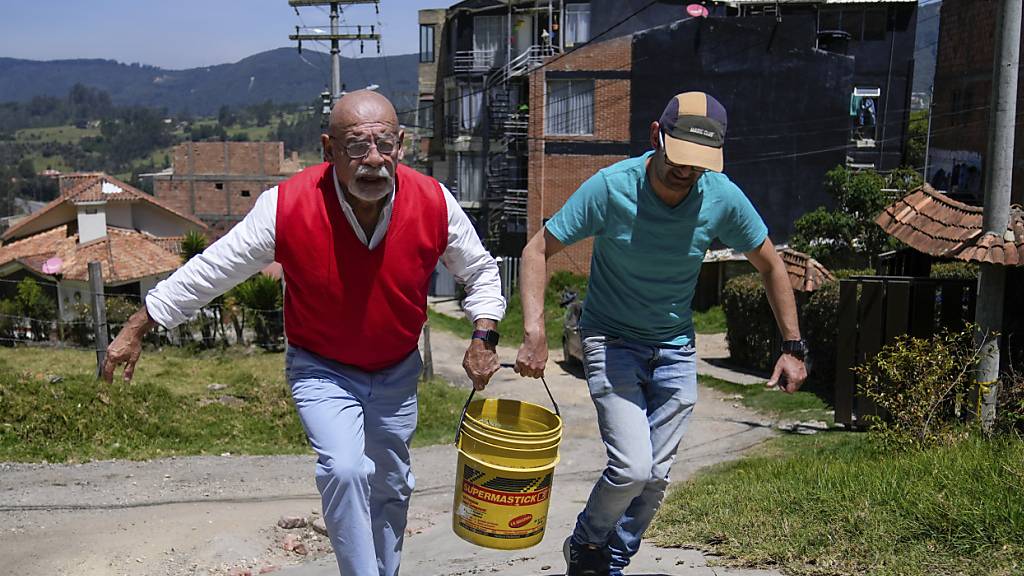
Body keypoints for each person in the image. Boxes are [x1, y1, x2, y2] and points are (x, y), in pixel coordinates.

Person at [102, 90, 506, 576]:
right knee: (345, 468)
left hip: (397, 371)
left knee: (392, 485)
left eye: (383, 144)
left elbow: (479, 272)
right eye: (357, 146)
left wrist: (483, 335)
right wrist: (140, 322)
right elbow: (215, 268)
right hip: (322, 368)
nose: (373, 160)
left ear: (401, 145)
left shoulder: (434, 202)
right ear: (328, 149)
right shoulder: (287, 205)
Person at [514, 92, 807, 576]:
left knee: (655, 478)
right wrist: (534, 331)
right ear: (657, 137)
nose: (686, 172)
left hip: (674, 348)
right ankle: (589, 544)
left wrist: (793, 346)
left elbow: (771, 264)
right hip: (610, 341)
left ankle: (607, 562)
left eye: (698, 164)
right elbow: (536, 250)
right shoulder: (611, 188)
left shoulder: (722, 197)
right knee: (631, 467)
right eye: (679, 158)